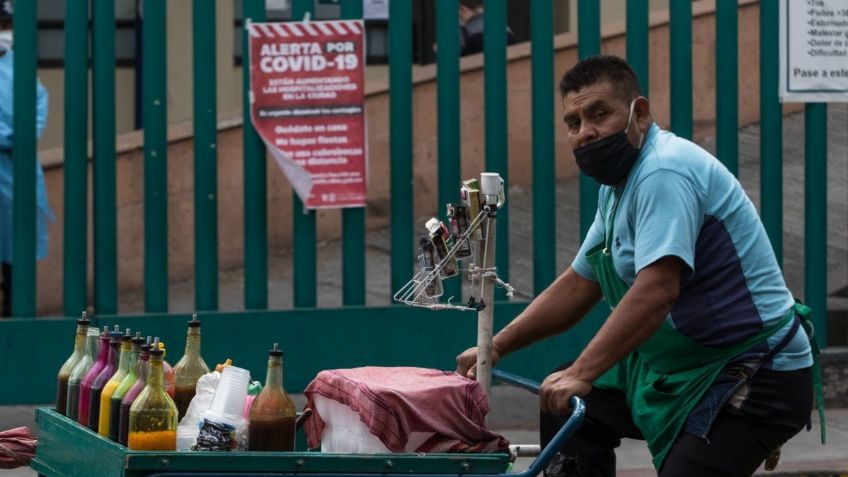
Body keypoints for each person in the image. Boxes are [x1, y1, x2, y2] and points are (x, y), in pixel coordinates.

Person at [456, 55, 819, 476]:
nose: (585, 132)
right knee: (568, 405)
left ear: (639, 113)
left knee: (576, 387)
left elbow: (657, 290)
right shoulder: (617, 187)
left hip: (755, 372)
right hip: (682, 365)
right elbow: (579, 284)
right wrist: (497, 346)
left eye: (599, 114)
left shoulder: (664, 171)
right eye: (573, 123)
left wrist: (582, 371)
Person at [0, 0, 53, 317]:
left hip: (19, 175)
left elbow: (37, 107)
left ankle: (16, 317)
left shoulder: (20, 67)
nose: (3, 33)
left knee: (16, 258)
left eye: (6, 27)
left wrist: (13, 136)